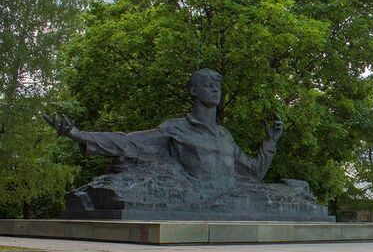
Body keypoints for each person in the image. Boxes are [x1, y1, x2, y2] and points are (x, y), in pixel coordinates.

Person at [44, 68, 283, 184]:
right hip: (194, 199)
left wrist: (271, 141)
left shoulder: (225, 136)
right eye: (208, 84)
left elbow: (253, 172)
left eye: (217, 86)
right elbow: (128, 141)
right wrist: (79, 135)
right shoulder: (176, 129)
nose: (215, 89)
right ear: (193, 91)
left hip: (230, 201)